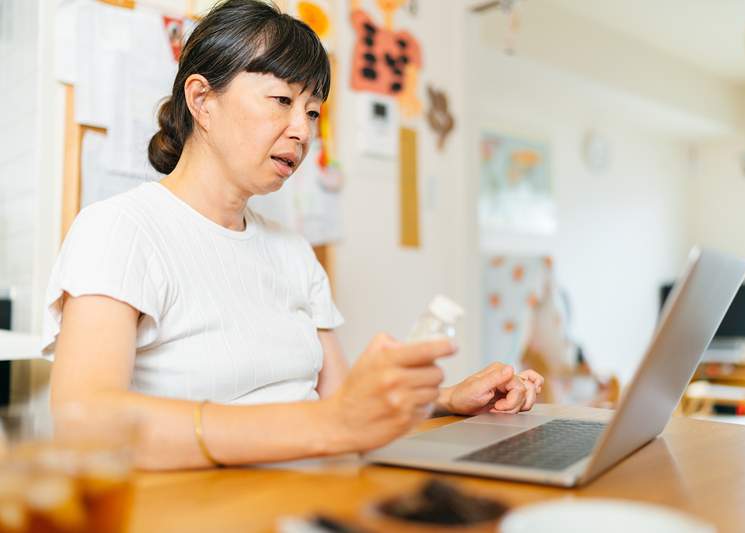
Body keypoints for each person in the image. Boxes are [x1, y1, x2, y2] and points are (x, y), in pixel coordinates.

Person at [44, 0, 543, 470]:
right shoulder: (121, 230)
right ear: (201, 100)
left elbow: (342, 406)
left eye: (311, 111)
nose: (302, 131)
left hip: (316, 490)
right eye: (281, 100)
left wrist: (447, 400)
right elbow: (83, 423)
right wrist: (321, 427)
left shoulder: (293, 251)